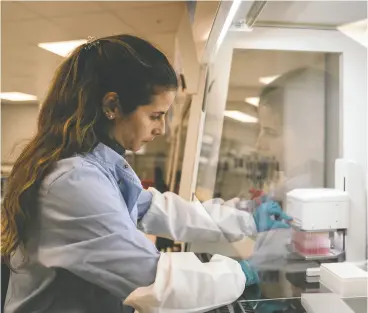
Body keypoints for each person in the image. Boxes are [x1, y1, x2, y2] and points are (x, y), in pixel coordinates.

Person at [1, 34, 292, 313]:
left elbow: (155, 208)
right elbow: (153, 280)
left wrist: (246, 218)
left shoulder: (98, 165)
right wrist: (241, 272)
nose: (161, 129)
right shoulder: (72, 182)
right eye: (155, 116)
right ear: (112, 106)